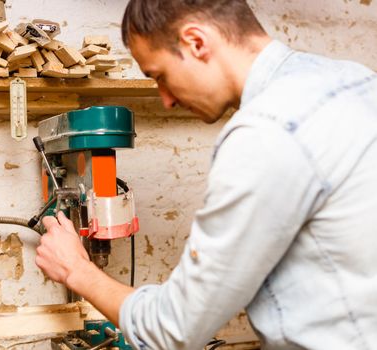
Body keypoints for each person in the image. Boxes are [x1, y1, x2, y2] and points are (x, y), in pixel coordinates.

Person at [35, 0, 377, 348]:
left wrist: (75, 269)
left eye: (160, 76)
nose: (166, 99)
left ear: (196, 42)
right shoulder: (356, 80)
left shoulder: (267, 131)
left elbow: (175, 330)